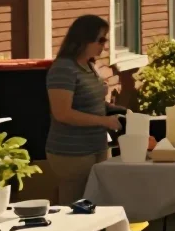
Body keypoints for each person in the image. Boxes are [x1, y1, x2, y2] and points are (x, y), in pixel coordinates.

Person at [46, 15, 123, 204]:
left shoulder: (89, 66)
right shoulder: (64, 69)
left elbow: (92, 103)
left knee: (96, 203)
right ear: (83, 39)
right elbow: (62, 113)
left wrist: (115, 110)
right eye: (100, 40)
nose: (104, 45)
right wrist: (104, 121)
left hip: (96, 146)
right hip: (72, 151)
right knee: (75, 205)